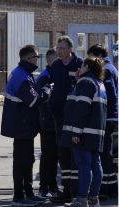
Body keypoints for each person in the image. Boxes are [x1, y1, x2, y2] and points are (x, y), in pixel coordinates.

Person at [1, 44, 52, 207]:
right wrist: (47, 90)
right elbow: (33, 100)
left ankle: (27, 193)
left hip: (23, 125)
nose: (37, 61)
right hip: (21, 125)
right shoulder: (22, 76)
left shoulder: (22, 73)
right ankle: (19, 196)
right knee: (23, 160)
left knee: (26, 159)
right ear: (28, 58)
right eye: (36, 57)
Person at [60, 57, 106, 207]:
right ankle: (93, 198)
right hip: (96, 132)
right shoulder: (100, 84)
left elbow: (81, 110)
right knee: (95, 164)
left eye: (83, 65)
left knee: (84, 164)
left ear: (87, 66)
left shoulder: (85, 83)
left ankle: (81, 198)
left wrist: (76, 132)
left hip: (84, 132)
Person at [49, 36, 83, 204]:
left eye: (62, 48)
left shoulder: (79, 64)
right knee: (62, 152)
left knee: (75, 152)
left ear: (70, 49)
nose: (59, 51)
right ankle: (66, 189)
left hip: (75, 116)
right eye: (58, 48)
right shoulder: (55, 65)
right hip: (59, 116)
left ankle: (76, 189)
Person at [87, 45, 118, 199]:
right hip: (111, 117)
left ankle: (109, 188)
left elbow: (110, 95)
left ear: (98, 55)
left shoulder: (105, 69)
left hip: (107, 117)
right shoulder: (111, 66)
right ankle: (109, 187)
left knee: (105, 154)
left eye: (91, 57)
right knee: (107, 154)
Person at [36, 48, 59, 198]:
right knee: (48, 155)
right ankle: (44, 186)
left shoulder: (54, 73)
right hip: (47, 122)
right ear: (50, 60)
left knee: (54, 155)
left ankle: (52, 185)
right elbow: (42, 100)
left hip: (53, 121)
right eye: (56, 59)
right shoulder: (46, 76)